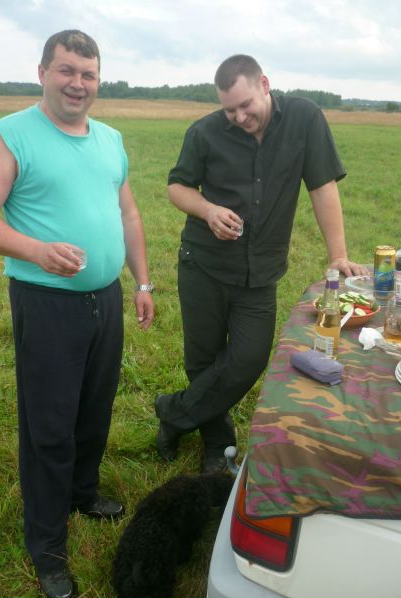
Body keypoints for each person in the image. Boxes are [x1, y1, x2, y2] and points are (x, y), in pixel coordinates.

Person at [0, 30, 154, 598]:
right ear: (42, 73)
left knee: (94, 409)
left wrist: (142, 282)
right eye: (66, 70)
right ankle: (48, 544)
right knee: (49, 427)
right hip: (46, 304)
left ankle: (83, 492)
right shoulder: (10, 135)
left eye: (88, 73)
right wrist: (36, 250)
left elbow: (128, 214)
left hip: (105, 298)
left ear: (98, 80)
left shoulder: (110, 139)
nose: (77, 83)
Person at [154, 54, 368, 474]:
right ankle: (217, 444)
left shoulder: (305, 119)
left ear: (264, 84)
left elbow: (322, 187)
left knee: (248, 359)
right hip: (203, 265)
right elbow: (177, 187)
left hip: (260, 273)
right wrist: (209, 210)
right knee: (204, 359)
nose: (239, 117)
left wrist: (338, 254)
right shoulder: (204, 132)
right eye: (229, 110)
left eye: (245, 105)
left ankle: (173, 413)